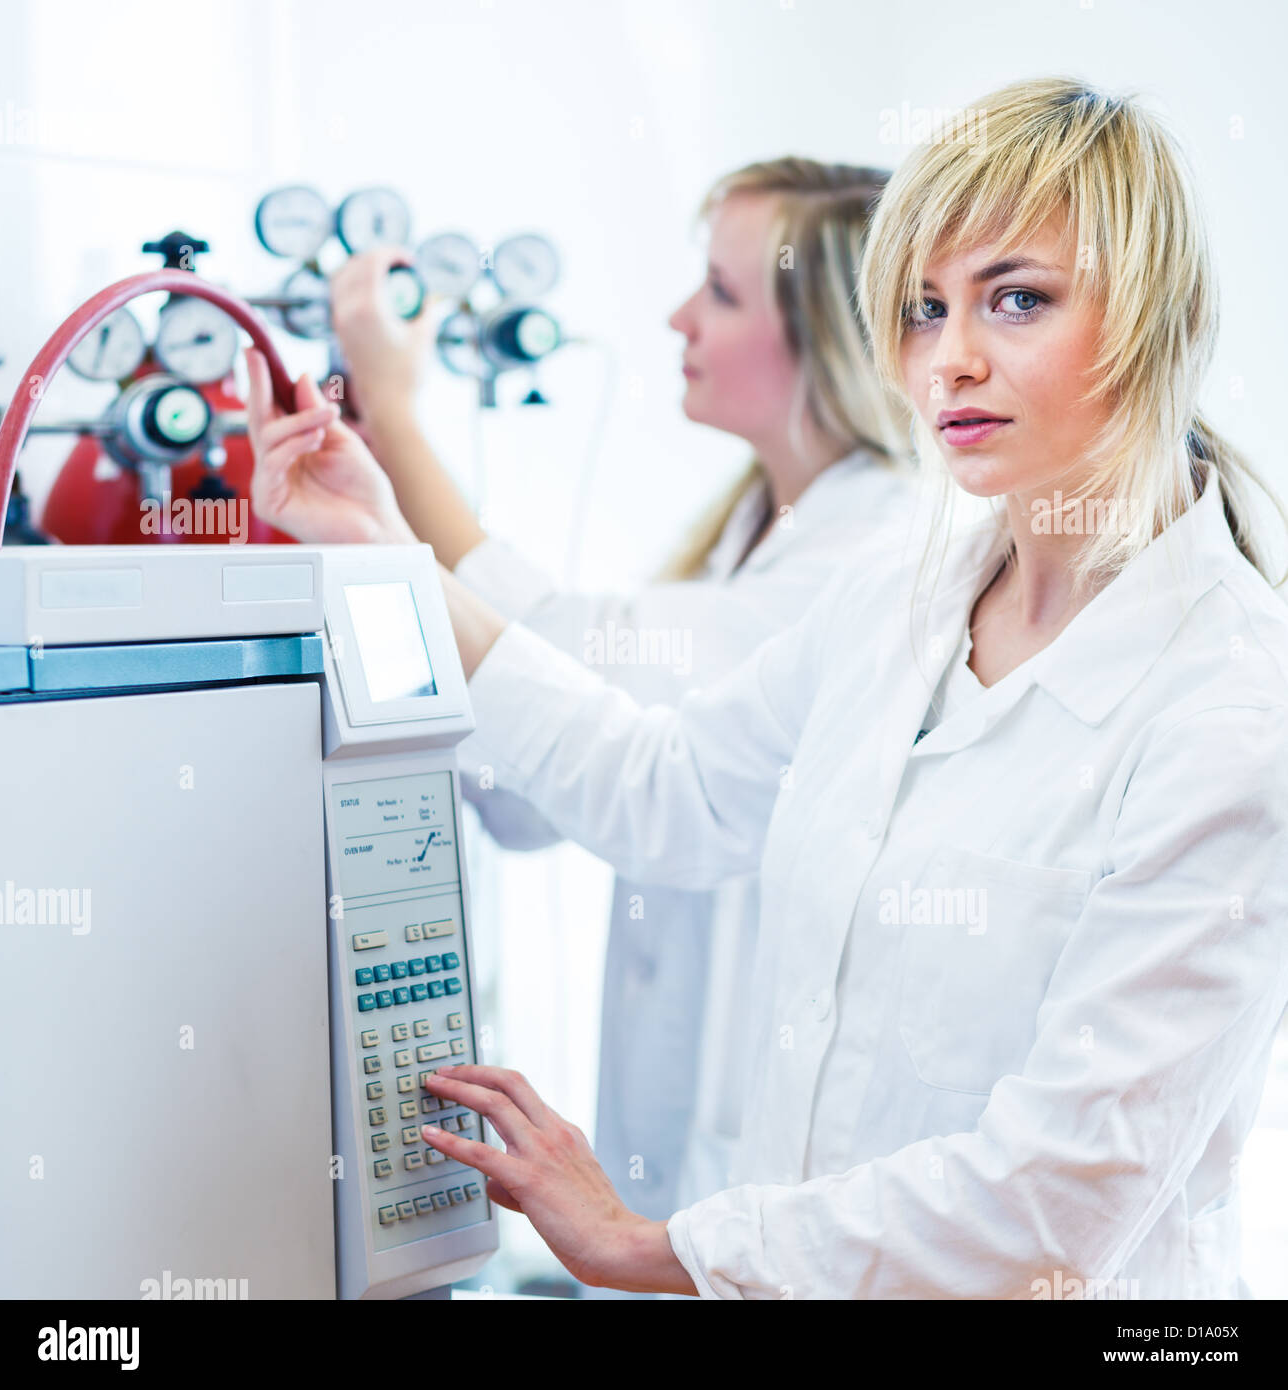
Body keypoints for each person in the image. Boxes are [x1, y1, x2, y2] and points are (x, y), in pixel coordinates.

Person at [248, 76, 1288, 1298]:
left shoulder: (1229, 709)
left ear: (1150, 318)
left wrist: (653, 1248)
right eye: (920, 307)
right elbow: (668, 791)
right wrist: (393, 554)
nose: (948, 360)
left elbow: (1055, 1197)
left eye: (1016, 300)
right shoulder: (899, 600)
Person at [253, 158, 921, 1261]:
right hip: (673, 1148)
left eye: (718, 290)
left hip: (763, 1173)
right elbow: (549, 776)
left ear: (826, 335)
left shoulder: (871, 549)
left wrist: (399, 418)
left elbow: (566, 665)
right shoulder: (748, 539)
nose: (675, 316)